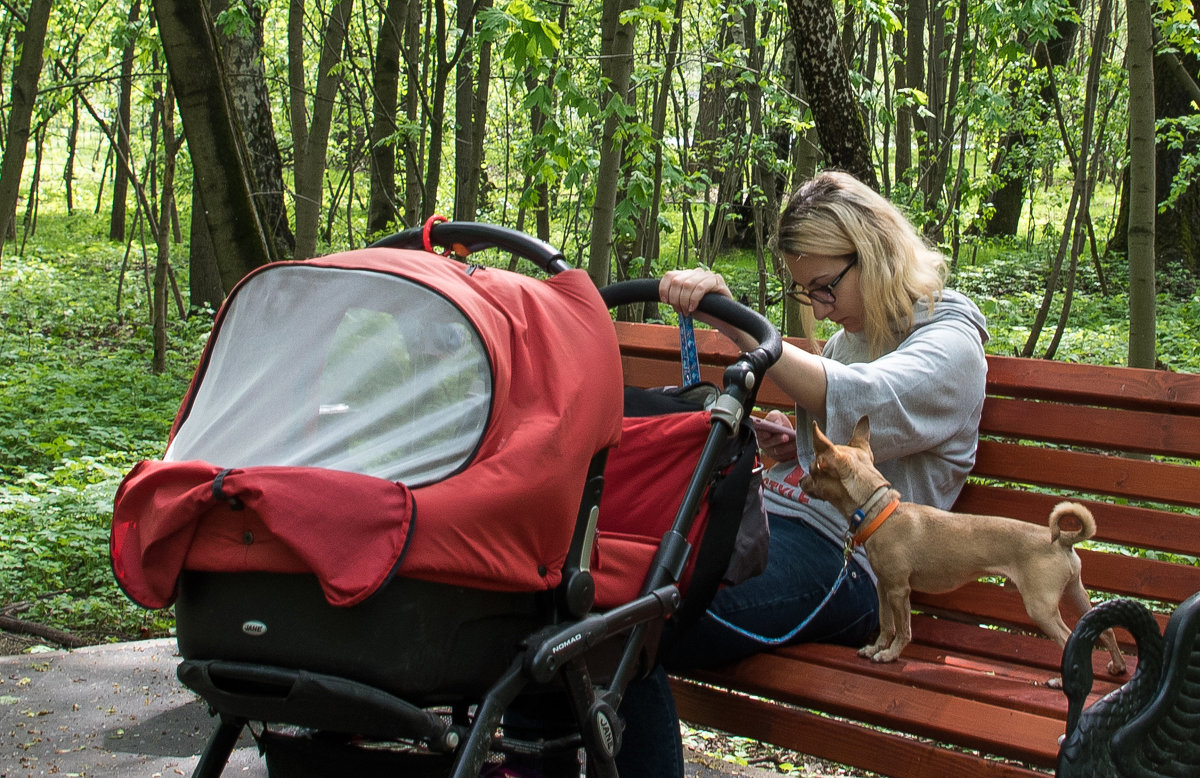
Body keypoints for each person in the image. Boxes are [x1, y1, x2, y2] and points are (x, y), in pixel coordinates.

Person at [616, 169, 990, 777]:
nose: (820, 306)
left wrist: (732, 318)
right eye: (806, 292)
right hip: (778, 526)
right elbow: (848, 440)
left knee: (628, 622)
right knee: (590, 587)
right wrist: (794, 447)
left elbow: (865, 397)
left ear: (874, 249)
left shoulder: (950, 344)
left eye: (825, 286)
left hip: (853, 563)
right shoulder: (854, 335)